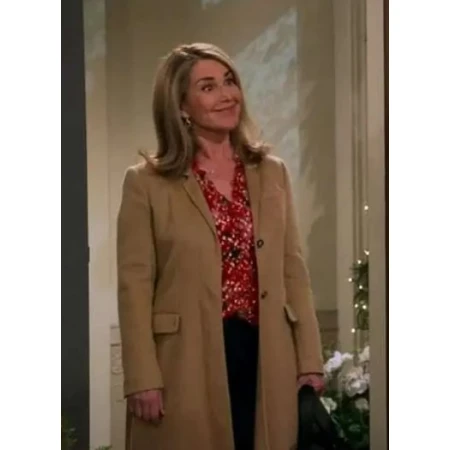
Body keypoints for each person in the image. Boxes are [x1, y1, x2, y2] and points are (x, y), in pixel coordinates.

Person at [117, 42, 325, 450]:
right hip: (186, 358)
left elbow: (293, 270)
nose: (227, 95)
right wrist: (142, 376)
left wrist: (309, 359)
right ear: (181, 105)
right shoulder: (146, 183)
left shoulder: (272, 173)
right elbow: (134, 286)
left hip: (266, 353)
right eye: (208, 87)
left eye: (230, 82)